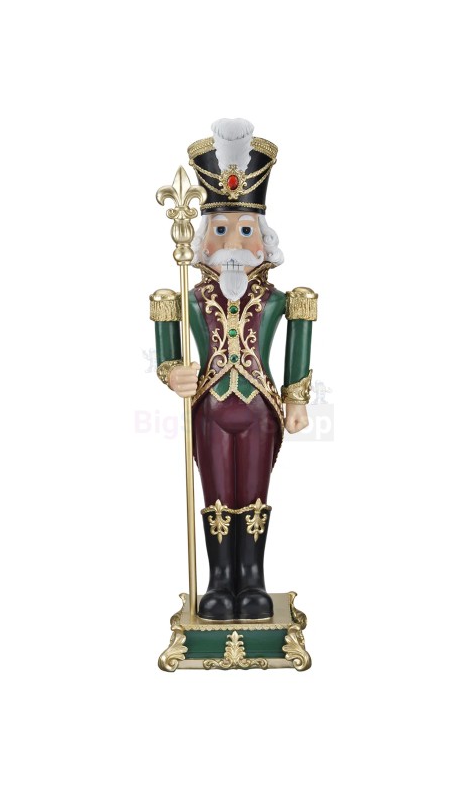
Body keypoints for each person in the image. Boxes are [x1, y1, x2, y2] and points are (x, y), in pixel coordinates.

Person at [150, 118, 318, 620]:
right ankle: (220, 580)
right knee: (218, 491)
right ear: (203, 240)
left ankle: (253, 579)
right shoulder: (187, 299)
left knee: (255, 492)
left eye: (246, 231)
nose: (235, 244)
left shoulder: (280, 300)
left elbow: (300, 338)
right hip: (209, 409)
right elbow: (167, 345)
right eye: (221, 230)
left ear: (264, 240)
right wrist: (171, 372)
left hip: (261, 409)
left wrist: (296, 398)